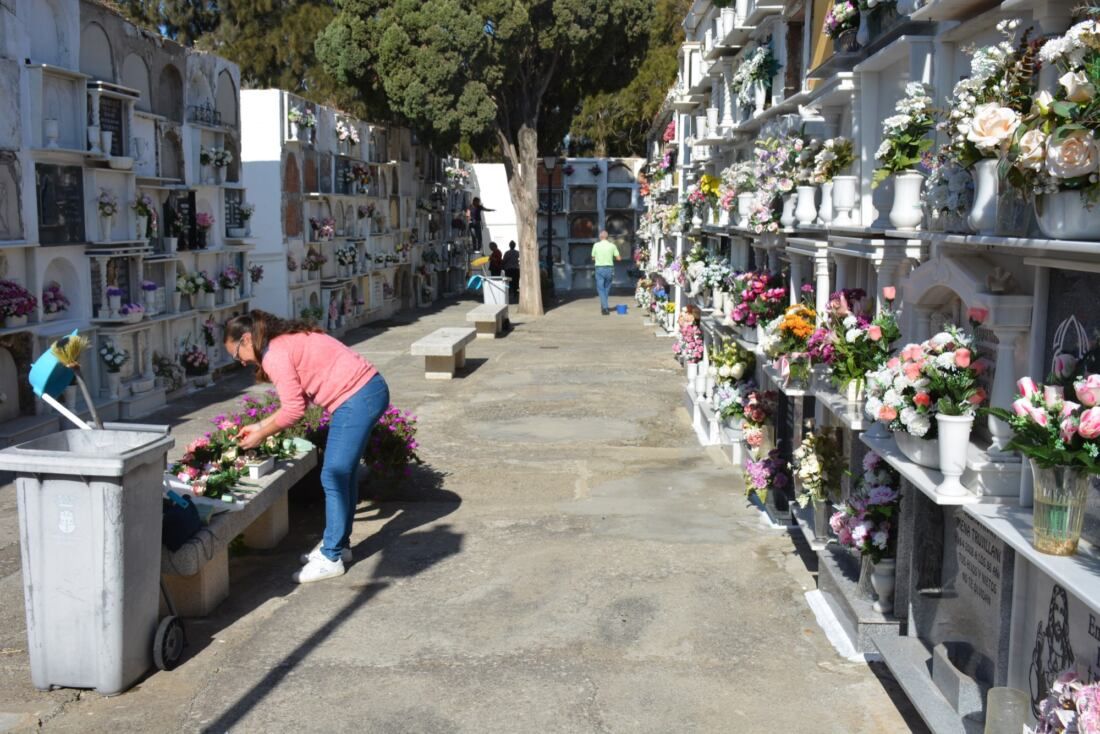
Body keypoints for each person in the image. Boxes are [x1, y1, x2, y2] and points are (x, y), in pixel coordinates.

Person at [223, 311, 390, 583]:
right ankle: (339, 546)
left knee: (334, 474)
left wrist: (262, 434)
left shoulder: (274, 354)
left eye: (236, 355)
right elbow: (298, 399)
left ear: (246, 339)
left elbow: (294, 411)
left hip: (357, 398)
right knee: (342, 474)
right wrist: (260, 426)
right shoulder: (285, 340)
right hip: (367, 391)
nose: (241, 363)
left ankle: (332, 556)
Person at [590, 230, 621, 315]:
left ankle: (605, 308)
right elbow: (619, 258)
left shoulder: (596, 245)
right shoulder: (612, 246)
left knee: (600, 288)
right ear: (607, 237)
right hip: (609, 269)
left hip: (599, 269)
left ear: (600, 237)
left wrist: (599, 258)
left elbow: (593, 257)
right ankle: (604, 306)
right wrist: (610, 258)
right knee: (606, 288)